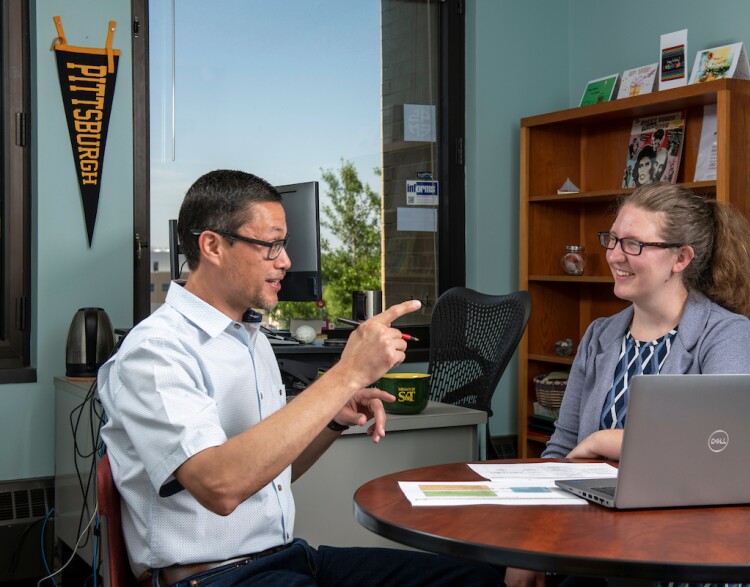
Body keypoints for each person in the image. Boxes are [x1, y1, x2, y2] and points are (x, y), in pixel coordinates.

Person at [98, 170, 504, 587]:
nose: (285, 261)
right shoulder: (156, 351)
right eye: (270, 244)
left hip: (287, 557)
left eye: (284, 244)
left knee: (476, 579)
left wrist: (332, 417)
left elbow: (271, 471)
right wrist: (345, 375)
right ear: (213, 245)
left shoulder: (249, 338)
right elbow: (220, 486)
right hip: (212, 578)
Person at [505, 183, 750, 587]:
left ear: (680, 258)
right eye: (612, 239)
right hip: (593, 541)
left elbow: (716, 449)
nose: (613, 255)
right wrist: (532, 543)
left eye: (633, 244)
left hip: (686, 549)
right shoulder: (600, 335)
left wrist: (600, 442)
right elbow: (560, 451)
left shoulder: (728, 336)